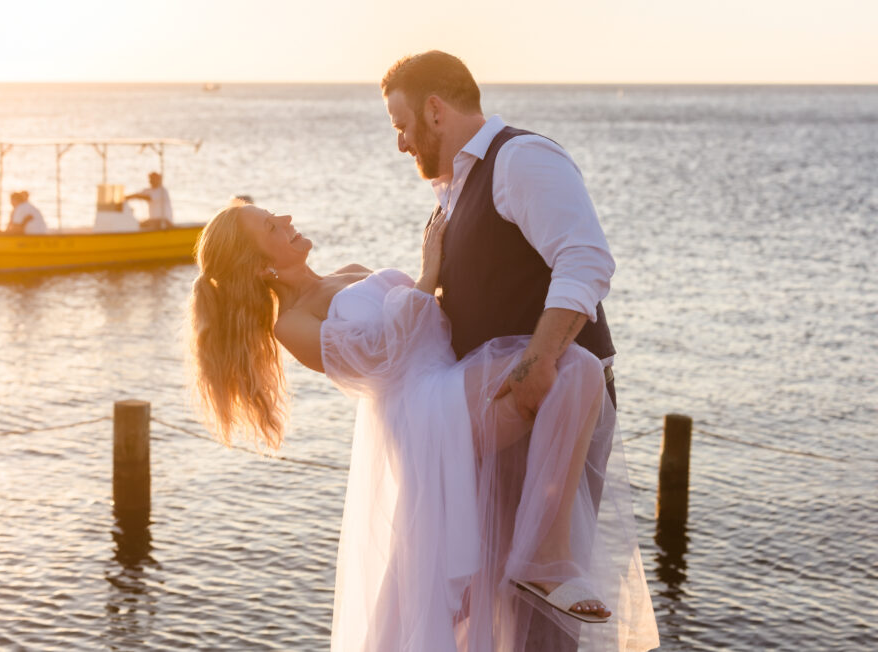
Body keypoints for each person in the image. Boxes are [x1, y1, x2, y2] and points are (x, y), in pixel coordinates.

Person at [186, 204, 658, 651]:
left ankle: (545, 555)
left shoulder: (347, 271)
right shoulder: (290, 323)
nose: (285, 218)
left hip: (453, 384)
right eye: (271, 225)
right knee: (574, 368)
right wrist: (429, 269)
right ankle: (544, 561)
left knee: (578, 370)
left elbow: (429, 316)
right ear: (260, 267)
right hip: (425, 410)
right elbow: (378, 354)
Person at [382, 51, 658, 650]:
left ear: (435, 110)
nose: (400, 141)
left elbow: (585, 259)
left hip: (555, 398)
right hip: (498, 409)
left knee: (542, 603)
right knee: (492, 594)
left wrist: (538, 363)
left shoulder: (521, 159)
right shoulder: (451, 194)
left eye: (401, 124)